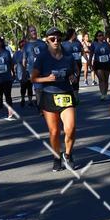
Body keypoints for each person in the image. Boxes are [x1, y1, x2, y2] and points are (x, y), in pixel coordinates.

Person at [31, 26, 79, 171]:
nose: (56, 40)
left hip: (66, 94)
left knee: (70, 128)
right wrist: (47, 78)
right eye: (52, 38)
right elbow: (33, 78)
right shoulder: (42, 57)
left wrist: (74, 77)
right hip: (49, 96)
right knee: (54, 132)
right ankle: (56, 157)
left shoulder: (68, 56)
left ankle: (68, 155)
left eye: (58, 38)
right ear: (47, 40)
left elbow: (76, 73)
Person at [88, 30, 110, 101]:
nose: (101, 37)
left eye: (102, 35)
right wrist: (90, 62)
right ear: (97, 37)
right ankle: (102, 94)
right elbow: (91, 54)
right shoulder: (94, 44)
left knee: (106, 79)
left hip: (106, 63)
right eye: (99, 35)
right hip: (98, 63)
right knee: (101, 79)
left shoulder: (106, 44)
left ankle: (105, 93)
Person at [23, 26, 47, 110]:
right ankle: (40, 108)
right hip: (33, 70)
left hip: (45, 69)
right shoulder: (26, 46)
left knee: (46, 88)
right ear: (29, 33)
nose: (33, 32)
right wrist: (25, 72)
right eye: (31, 31)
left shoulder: (43, 43)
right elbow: (24, 60)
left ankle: (46, 106)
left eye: (34, 30)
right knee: (38, 89)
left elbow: (49, 55)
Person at [63, 27, 84, 95]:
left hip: (78, 63)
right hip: (68, 64)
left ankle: (76, 96)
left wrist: (88, 61)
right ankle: (69, 94)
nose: (76, 34)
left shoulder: (78, 43)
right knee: (68, 79)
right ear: (71, 34)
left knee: (76, 79)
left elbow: (82, 52)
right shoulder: (64, 44)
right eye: (75, 33)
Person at [13, 40, 33, 107]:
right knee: (23, 87)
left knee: (30, 87)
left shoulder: (30, 52)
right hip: (21, 73)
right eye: (22, 45)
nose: (23, 47)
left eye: (25, 45)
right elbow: (14, 63)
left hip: (30, 72)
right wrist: (14, 72)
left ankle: (30, 101)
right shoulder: (17, 53)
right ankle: (23, 99)